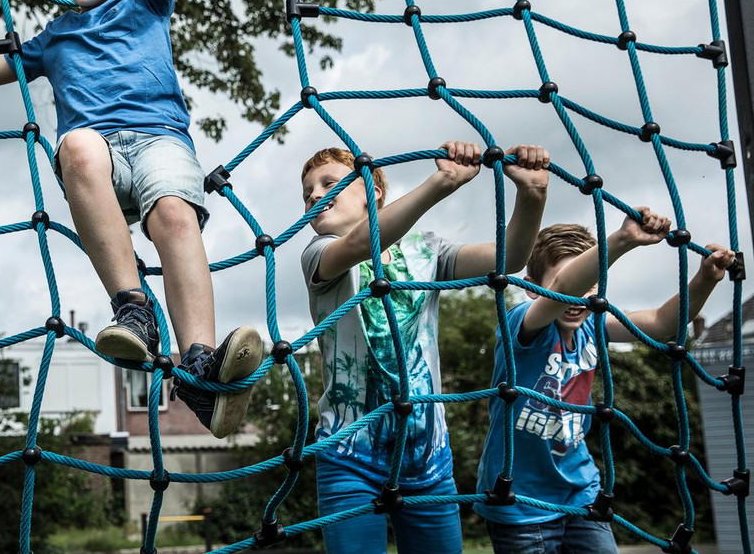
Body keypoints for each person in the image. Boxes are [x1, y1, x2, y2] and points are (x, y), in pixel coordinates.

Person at [0, 0, 262, 438]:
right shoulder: (54, 36)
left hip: (160, 142)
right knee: (74, 144)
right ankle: (133, 310)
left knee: (175, 215)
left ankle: (198, 369)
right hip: (96, 160)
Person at [299, 142, 550, 553]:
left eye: (327, 183)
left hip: (427, 456)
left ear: (372, 190)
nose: (313, 195)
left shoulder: (426, 251)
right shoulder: (318, 254)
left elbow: (509, 259)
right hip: (348, 453)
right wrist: (442, 181)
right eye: (307, 191)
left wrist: (532, 194)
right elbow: (363, 245)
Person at [475, 215, 735, 554]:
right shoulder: (522, 325)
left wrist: (705, 279)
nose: (579, 297)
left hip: (581, 492)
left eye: (591, 285)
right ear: (530, 287)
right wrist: (621, 240)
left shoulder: (593, 327)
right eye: (571, 283)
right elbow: (562, 291)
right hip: (519, 501)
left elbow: (659, 322)